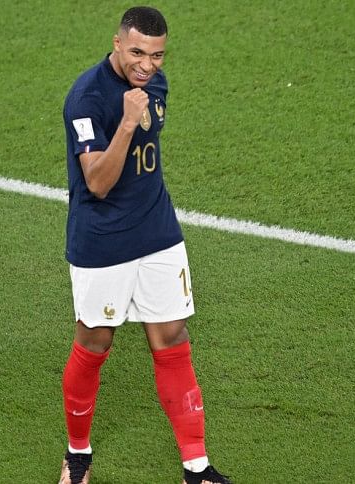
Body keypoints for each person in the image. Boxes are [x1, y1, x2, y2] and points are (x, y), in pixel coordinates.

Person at [59, 6, 231, 484]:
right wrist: (127, 122)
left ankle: (196, 468)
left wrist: (138, 114)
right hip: (102, 242)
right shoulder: (86, 98)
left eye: (157, 56)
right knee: (95, 341)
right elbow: (97, 182)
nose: (147, 65)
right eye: (137, 53)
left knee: (172, 337)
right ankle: (78, 455)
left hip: (157, 232)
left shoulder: (156, 83)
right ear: (116, 43)